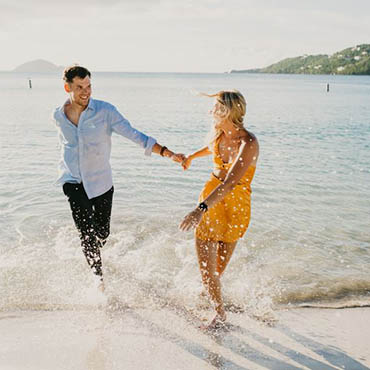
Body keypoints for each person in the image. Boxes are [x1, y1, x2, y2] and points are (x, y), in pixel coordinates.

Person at [52, 65, 184, 290]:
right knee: (86, 232)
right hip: (73, 181)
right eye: (79, 87)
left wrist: (167, 152)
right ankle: (98, 280)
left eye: (89, 86)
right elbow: (67, 144)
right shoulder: (58, 114)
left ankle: (96, 254)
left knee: (102, 233)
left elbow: (134, 135)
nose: (86, 91)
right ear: (67, 87)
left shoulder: (106, 111)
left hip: (101, 182)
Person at [179, 90, 259, 330]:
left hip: (235, 207)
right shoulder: (218, 136)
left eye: (214, 107)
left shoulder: (249, 143)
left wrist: (198, 210)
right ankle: (219, 313)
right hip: (211, 202)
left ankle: (209, 296)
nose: (210, 111)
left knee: (217, 269)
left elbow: (231, 183)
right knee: (207, 269)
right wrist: (191, 156)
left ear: (227, 111)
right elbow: (210, 148)